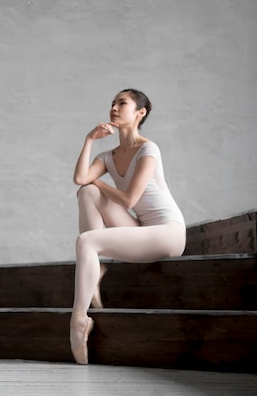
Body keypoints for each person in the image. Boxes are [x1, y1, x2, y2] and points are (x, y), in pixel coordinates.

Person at [70, 89, 186, 365]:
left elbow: (128, 199)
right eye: (112, 103)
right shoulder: (109, 156)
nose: (114, 107)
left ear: (140, 112)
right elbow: (80, 179)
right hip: (142, 229)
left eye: (122, 103)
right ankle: (94, 271)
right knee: (86, 193)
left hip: (168, 232)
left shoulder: (148, 149)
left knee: (87, 240)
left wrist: (97, 182)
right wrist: (88, 140)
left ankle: (78, 321)